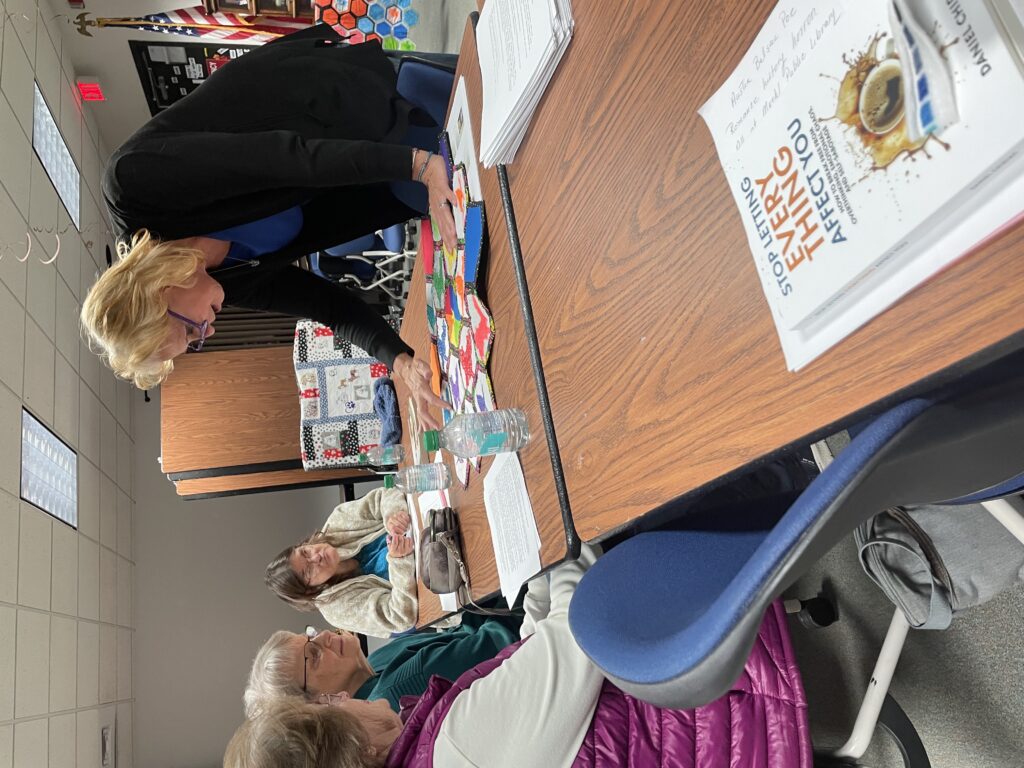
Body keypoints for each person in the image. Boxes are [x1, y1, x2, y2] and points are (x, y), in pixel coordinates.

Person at [82, 23, 454, 428]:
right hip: (371, 180)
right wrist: (397, 361)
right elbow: (325, 305)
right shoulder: (218, 280)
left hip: (345, 105)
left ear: (160, 291)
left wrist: (416, 164)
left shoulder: (135, 186)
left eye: (190, 332)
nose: (206, 331)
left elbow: (287, 157)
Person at [226, 544, 813, 768]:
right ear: (341, 737)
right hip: (718, 715)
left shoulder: (424, 734)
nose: (340, 698)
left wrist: (541, 571)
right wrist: (561, 553)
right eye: (325, 703)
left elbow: (529, 660)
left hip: (651, 713)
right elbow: (580, 633)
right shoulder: (454, 744)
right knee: (657, 523)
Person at [243, 613, 520, 716]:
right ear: (317, 702)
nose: (326, 636)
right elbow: (502, 639)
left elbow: (463, 632)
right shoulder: (394, 693)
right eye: (312, 655)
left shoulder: (372, 665)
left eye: (311, 636)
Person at [265, 487, 425, 637]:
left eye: (305, 552)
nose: (316, 557)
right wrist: (400, 561)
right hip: (436, 585)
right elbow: (400, 617)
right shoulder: (337, 610)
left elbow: (383, 495)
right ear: (309, 591)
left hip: (430, 515)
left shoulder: (338, 520)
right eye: (308, 571)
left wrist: (394, 515)